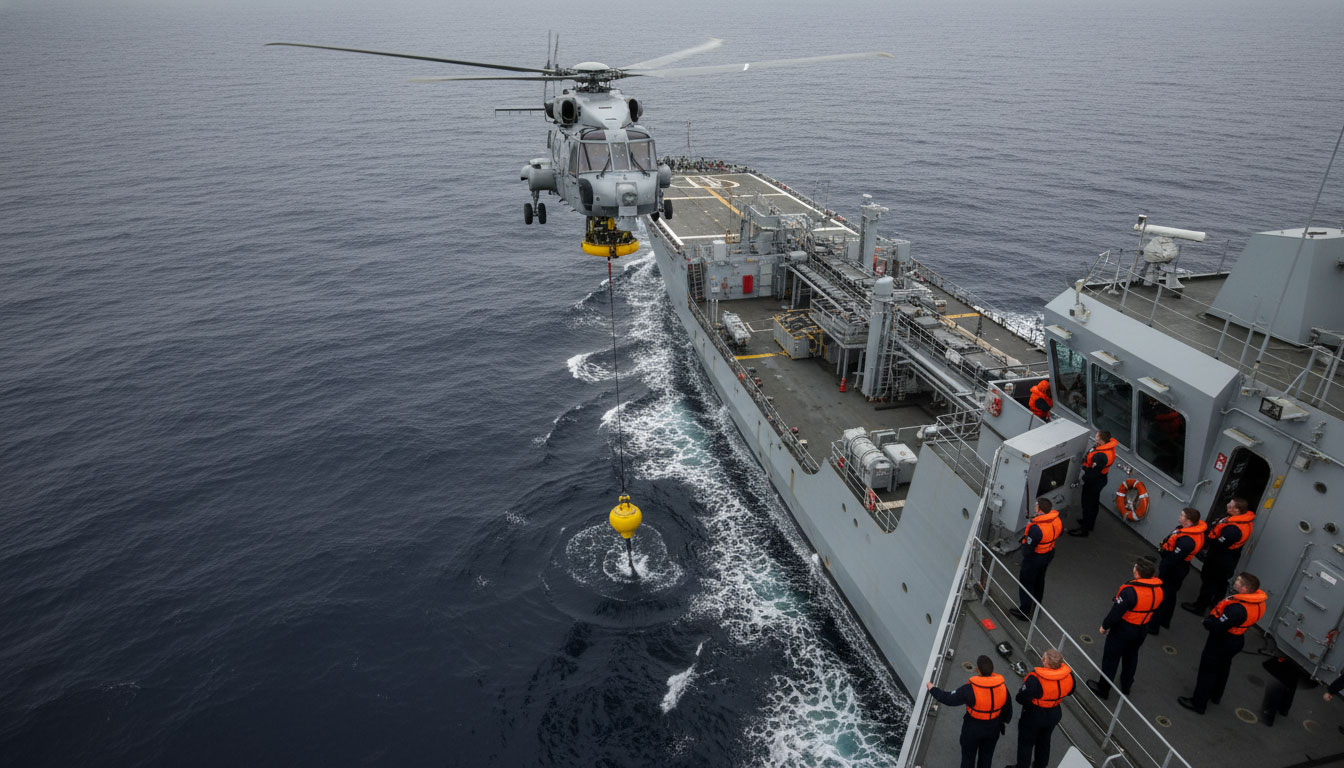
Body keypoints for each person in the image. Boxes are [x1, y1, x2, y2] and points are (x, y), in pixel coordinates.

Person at [1178, 572, 1268, 713]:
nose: (1235, 582)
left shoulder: (1236, 609)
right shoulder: (1258, 603)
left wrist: (1207, 622)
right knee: (1223, 668)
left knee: (1207, 671)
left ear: (1244, 589)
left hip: (1223, 640)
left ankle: (1198, 703)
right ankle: (1215, 695)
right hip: (1237, 639)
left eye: (1238, 581)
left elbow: (1218, 625)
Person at [1086, 560, 1163, 700]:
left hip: (1124, 629)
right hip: (1142, 628)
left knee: (1111, 658)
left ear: (1137, 572)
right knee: (1131, 656)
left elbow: (1117, 612)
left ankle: (1103, 688)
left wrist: (1105, 626)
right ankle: (1126, 685)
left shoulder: (1130, 591)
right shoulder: (1158, 590)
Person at [925, 655, 1013, 768]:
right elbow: (1007, 710)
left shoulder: (970, 690)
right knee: (986, 757)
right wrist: (1000, 722)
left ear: (978, 670)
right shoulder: (1003, 688)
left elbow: (948, 699)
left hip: (973, 729)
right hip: (993, 729)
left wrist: (932, 688)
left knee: (968, 758)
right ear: (992, 670)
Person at [1183, 498, 1256, 614]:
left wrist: (1205, 539)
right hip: (1230, 557)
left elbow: (1219, 544)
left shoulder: (1233, 529)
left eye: (1231, 505)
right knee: (1221, 582)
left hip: (1220, 559)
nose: (1227, 505)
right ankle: (1216, 603)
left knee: (1209, 581)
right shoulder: (1243, 521)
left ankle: (1200, 607)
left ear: (1237, 510)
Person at [1009, 648, 1075, 768]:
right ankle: (1040, 766)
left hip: (1034, 715)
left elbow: (1021, 698)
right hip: (1054, 713)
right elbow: (1070, 691)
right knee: (1044, 742)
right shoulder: (1069, 676)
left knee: (1026, 743)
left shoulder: (1035, 679)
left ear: (1046, 662)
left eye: (1043, 658)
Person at [1150, 508, 1207, 635]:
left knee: (1163, 596)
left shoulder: (1187, 541)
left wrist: (1163, 566)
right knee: (1171, 595)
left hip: (1175, 568)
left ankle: (1153, 626)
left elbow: (1174, 558)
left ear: (1189, 521)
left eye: (1182, 515)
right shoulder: (1186, 531)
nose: (1179, 517)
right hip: (1178, 566)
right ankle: (1165, 621)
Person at [1010, 498, 1062, 622]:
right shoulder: (1057, 520)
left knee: (1027, 583)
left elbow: (1028, 549)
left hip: (1035, 558)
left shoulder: (1036, 529)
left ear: (1040, 509)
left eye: (1036, 506)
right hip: (1048, 554)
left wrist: (1024, 556)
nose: (1034, 507)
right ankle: (1037, 604)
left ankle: (1025, 611)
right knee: (1039, 580)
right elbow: (1059, 534)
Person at [1069, 430, 1117, 537]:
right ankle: (1089, 523)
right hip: (1100, 478)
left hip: (1095, 481)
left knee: (1088, 504)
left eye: (1097, 438)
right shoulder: (1108, 448)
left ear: (1102, 440)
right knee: (1093, 503)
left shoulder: (1100, 456)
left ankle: (1084, 530)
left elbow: (1094, 472)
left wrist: (1083, 479)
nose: (1095, 439)